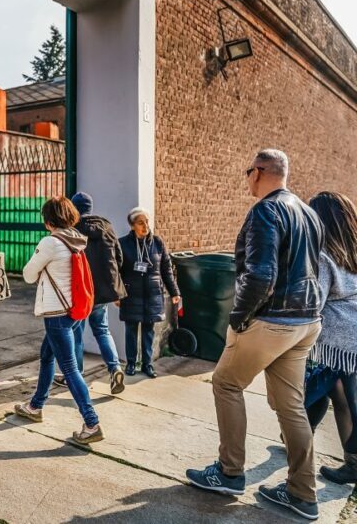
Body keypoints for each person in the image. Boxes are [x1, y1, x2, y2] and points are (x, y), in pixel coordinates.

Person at [186, 149, 324, 521]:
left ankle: (230, 472)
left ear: (260, 172)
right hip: (307, 321)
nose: (247, 178)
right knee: (291, 406)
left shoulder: (266, 210)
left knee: (226, 384)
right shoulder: (309, 213)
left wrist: (237, 317)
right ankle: (302, 494)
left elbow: (261, 274)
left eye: (248, 172)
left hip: (273, 318)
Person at [15, 196, 104, 444]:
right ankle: (35, 406)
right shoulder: (75, 239)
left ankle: (91, 422)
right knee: (46, 356)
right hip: (72, 311)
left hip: (56, 315)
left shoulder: (51, 242)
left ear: (48, 219)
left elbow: (28, 275)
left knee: (69, 369)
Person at [303, 192, 357, 485]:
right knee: (339, 395)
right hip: (349, 344)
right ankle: (350, 463)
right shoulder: (353, 251)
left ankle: (298, 443)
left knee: (317, 390)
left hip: (339, 345)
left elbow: (313, 303)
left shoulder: (323, 257)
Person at [54, 192, 127, 394]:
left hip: (80, 292)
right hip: (102, 292)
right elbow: (118, 258)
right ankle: (115, 368)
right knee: (102, 330)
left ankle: (75, 375)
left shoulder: (71, 230)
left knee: (76, 333)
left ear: (74, 208)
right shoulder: (106, 227)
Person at [118, 207, 180, 379]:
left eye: (146, 222)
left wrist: (174, 291)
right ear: (132, 226)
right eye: (140, 223)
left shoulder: (158, 243)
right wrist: (117, 294)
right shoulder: (122, 244)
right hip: (131, 294)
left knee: (148, 330)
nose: (145, 226)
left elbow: (166, 269)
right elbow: (116, 271)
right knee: (131, 329)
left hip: (153, 294)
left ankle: (147, 364)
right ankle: (131, 363)